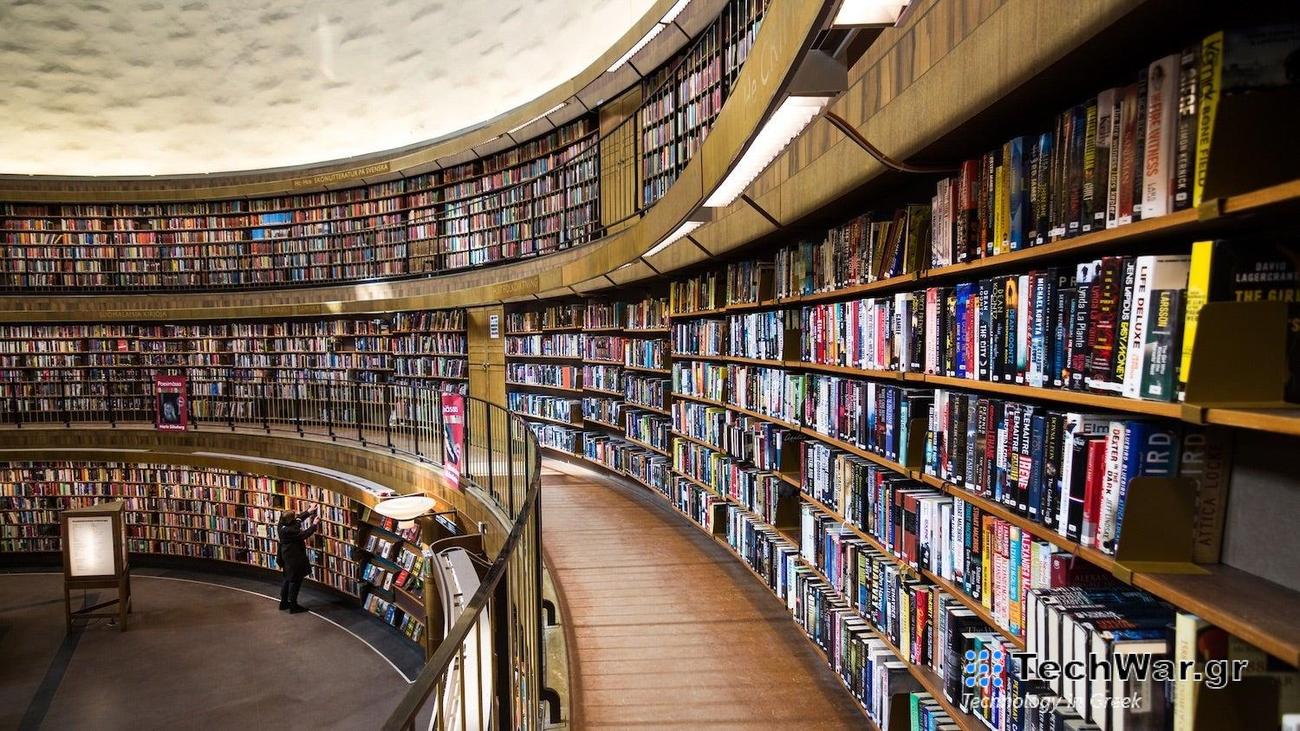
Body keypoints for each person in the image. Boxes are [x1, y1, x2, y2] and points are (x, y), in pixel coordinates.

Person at [277, 508, 319, 614]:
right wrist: (314, 525)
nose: (296, 518)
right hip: (294, 558)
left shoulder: (281, 525)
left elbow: (298, 520)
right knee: (295, 581)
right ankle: (293, 605)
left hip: (285, 556)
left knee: (287, 579)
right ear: (290, 520)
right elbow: (304, 534)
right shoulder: (291, 531)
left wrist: (308, 511)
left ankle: (284, 602)